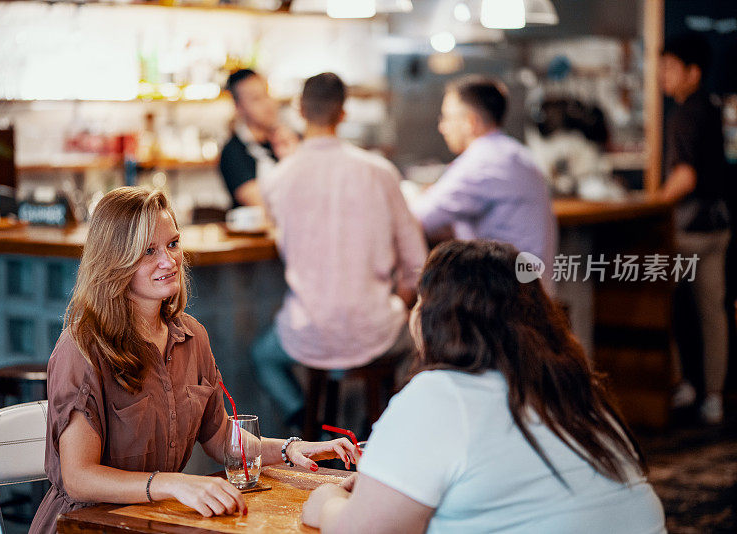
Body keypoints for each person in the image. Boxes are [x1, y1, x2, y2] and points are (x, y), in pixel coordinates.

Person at [29, 187, 360, 533]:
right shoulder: (82, 347)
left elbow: (219, 438)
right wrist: (173, 484)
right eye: (149, 251)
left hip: (152, 518)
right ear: (115, 260)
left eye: (172, 244)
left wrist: (293, 449)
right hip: (84, 523)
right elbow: (79, 478)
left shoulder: (191, 335)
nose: (169, 261)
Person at [301, 240, 667, 534]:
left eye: (421, 300)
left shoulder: (440, 393)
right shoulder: (571, 386)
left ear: (439, 319)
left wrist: (328, 502)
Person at [252, 72, 428, 429]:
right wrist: (404, 298)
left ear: (300, 110)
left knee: (262, 357)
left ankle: (311, 426)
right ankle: (373, 432)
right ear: (343, 113)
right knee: (423, 348)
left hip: (308, 329)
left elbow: (276, 232)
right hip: (376, 326)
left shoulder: (277, 179)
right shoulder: (380, 172)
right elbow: (417, 262)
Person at [413, 76, 557, 293]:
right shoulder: (515, 153)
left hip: (506, 298)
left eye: (447, 118)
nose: (442, 127)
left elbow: (419, 218)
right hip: (533, 289)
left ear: (470, 122)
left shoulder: (481, 161)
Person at [659, 33, 730, 424]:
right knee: (712, 313)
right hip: (719, 225)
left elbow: (684, 178)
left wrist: (651, 203)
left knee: (660, 305)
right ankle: (713, 396)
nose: (662, 75)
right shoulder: (712, 107)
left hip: (688, 229)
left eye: (670, 67)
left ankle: (678, 383)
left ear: (693, 72)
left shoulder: (685, 114)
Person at [219, 69, 298, 208]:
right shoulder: (233, 152)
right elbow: (260, 203)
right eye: (256, 99)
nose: (267, 104)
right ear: (239, 107)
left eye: (267, 94)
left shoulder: (290, 140)